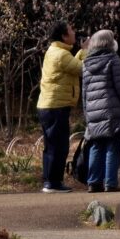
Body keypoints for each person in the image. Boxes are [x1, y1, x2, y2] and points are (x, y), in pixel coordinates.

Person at [36, 21, 85, 193]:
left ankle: (50, 180)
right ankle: (53, 182)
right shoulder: (61, 55)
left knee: (52, 145)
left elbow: (73, 64)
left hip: (48, 106)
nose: (74, 32)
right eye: (71, 30)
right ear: (64, 36)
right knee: (59, 146)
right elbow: (81, 69)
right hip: (56, 107)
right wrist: (86, 51)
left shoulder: (56, 52)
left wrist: (81, 52)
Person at [81, 29, 120, 193]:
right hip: (111, 110)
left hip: (93, 112)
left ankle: (93, 182)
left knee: (96, 146)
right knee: (113, 146)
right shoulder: (113, 59)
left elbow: (84, 92)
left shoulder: (86, 63)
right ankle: (110, 183)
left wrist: (87, 114)